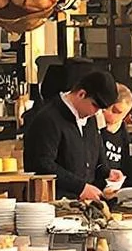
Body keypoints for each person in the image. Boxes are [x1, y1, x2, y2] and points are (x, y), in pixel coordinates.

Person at [21, 66, 116, 201]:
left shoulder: (90, 119)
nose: (96, 112)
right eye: (95, 106)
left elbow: (95, 153)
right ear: (81, 94)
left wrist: (107, 172)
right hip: (53, 202)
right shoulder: (48, 118)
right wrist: (80, 187)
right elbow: (42, 163)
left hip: (83, 204)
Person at [93, 85, 132, 195]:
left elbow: (126, 161)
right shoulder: (92, 126)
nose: (110, 114)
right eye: (113, 110)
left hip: (114, 186)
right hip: (93, 186)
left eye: (120, 114)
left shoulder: (122, 131)